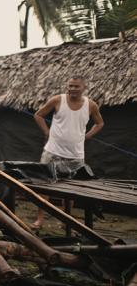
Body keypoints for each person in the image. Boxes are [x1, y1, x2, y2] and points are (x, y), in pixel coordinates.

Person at [32, 76, 104, 228]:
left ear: (84, 88)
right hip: (52, 151)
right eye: (70, 86)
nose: (72, 89)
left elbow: (99, 123)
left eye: (76, 86)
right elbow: (38, 115)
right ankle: (40, 219)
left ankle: (66, 220)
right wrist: (46, 132)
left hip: (75, 155)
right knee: (44, 185)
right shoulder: (58, 100)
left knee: (70, 189)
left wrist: (87, 136)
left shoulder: (91, 105)